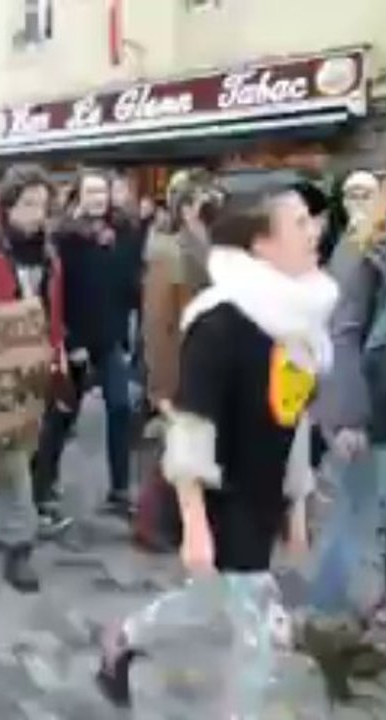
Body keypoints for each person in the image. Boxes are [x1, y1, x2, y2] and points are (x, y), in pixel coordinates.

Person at [96, 185, 336, 710]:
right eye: (299, 223)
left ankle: (123, 638)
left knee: (208, 600)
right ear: (260, 243)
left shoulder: (297, 321)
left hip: (265, 487)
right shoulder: (218, 320)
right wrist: (196, 525)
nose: (315, 231)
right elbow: (191, 427)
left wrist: (296, 506)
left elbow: (292, 418)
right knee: (255, 630)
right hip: (219, 496)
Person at [311, 150, 386, 614]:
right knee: (354, 514)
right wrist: (347, 416)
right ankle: (325, 617)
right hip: (367, 405)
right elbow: (343, 334)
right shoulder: (365, 246)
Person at [0, 165, 68, 560]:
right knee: (14, 458)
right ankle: (18, 545)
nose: (36, 213)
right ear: (7, 208)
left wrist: (57, 358)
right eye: (27, 204)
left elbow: (53, 313)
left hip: (34, 369)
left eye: (42, 205)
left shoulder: (50, 258)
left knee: (15, 452)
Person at [35, 169, 143, 518]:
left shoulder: (124, 233)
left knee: (120, 407)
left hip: (110, 337)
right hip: (76, 338)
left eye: (103, 191)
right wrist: (68, 340)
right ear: (79, 196)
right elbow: (59, 292)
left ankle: (120, 489)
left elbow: (130, 284)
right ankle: (44, 482)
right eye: (91, 191)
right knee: (64, 415)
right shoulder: (65, 238)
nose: (98, 198)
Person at [133, 173, 220, 552]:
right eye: (205, 200)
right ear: (186, 209)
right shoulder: (169, 252)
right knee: (174, 442)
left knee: (187, 444)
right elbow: (156, 323)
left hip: (201, 359)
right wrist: (162, 384)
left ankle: (172, 522)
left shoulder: (205, 246)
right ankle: (151, 523)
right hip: (178, 364)